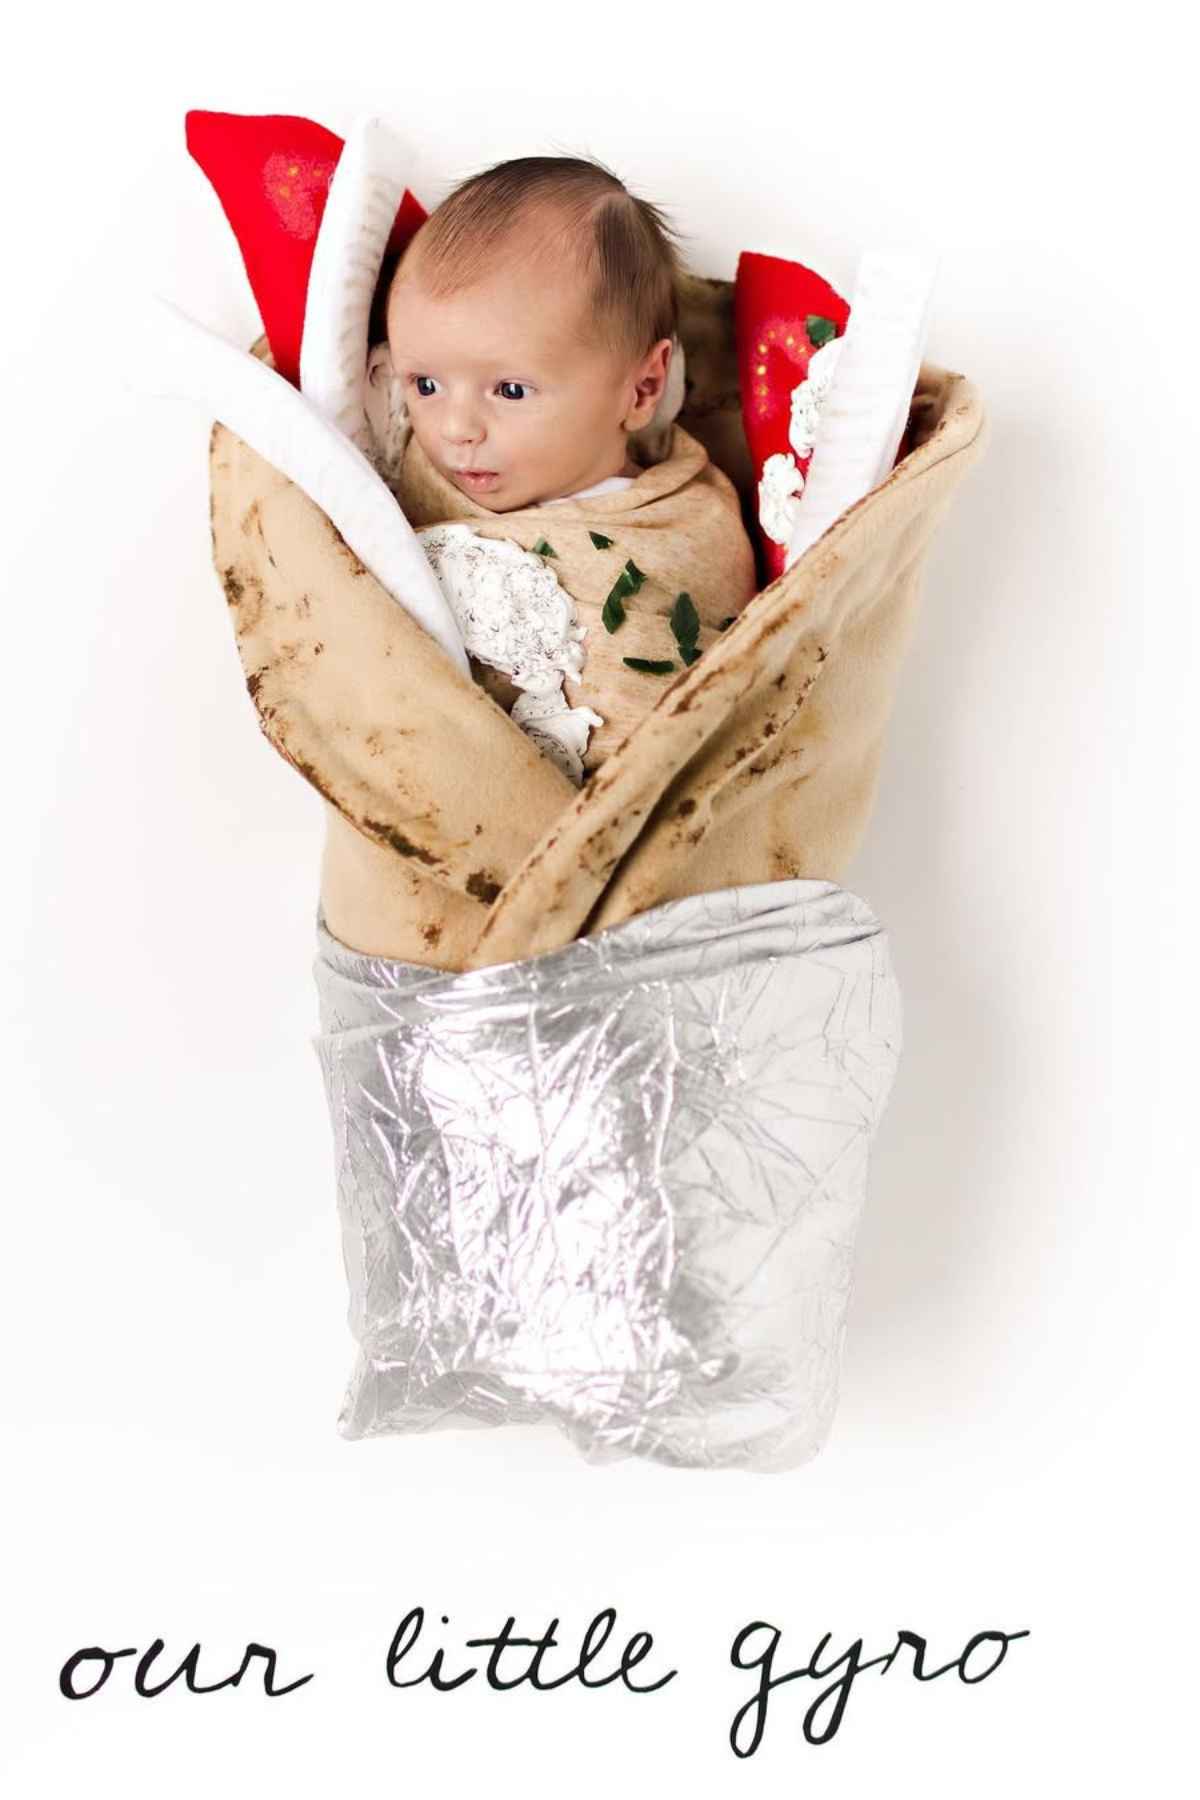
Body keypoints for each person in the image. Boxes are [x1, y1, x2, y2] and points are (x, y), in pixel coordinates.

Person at [363, 154, 758, 780]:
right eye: (426, 384)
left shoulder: (685, 531)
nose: (455, 428)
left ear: (642, 389)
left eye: (510, 390)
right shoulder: (398, 469)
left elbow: (684, 713)